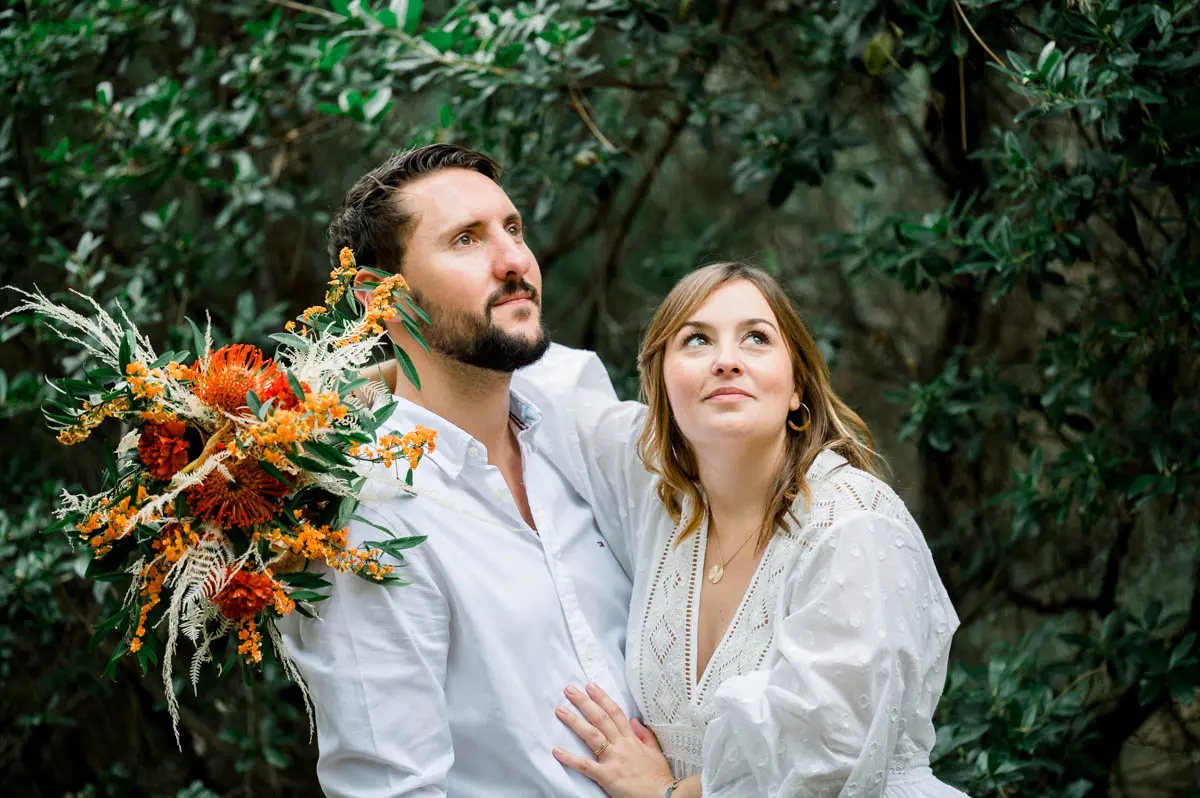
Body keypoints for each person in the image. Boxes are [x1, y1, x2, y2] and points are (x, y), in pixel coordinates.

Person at [278, 144, 638, 797]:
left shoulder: (583, 435)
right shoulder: (368, 518)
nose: (513, 261)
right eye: (467, 240)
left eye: (513, 228)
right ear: (378, 300)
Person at [547, 263, 969, 797]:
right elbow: (544, 389)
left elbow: (831, 758)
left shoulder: (853, 523)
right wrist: (405, 367)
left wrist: (667, 794)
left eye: (756, 338)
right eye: (697, 340)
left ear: (797, 388)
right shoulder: (657, 493)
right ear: (661, 388)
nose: (726, 361)